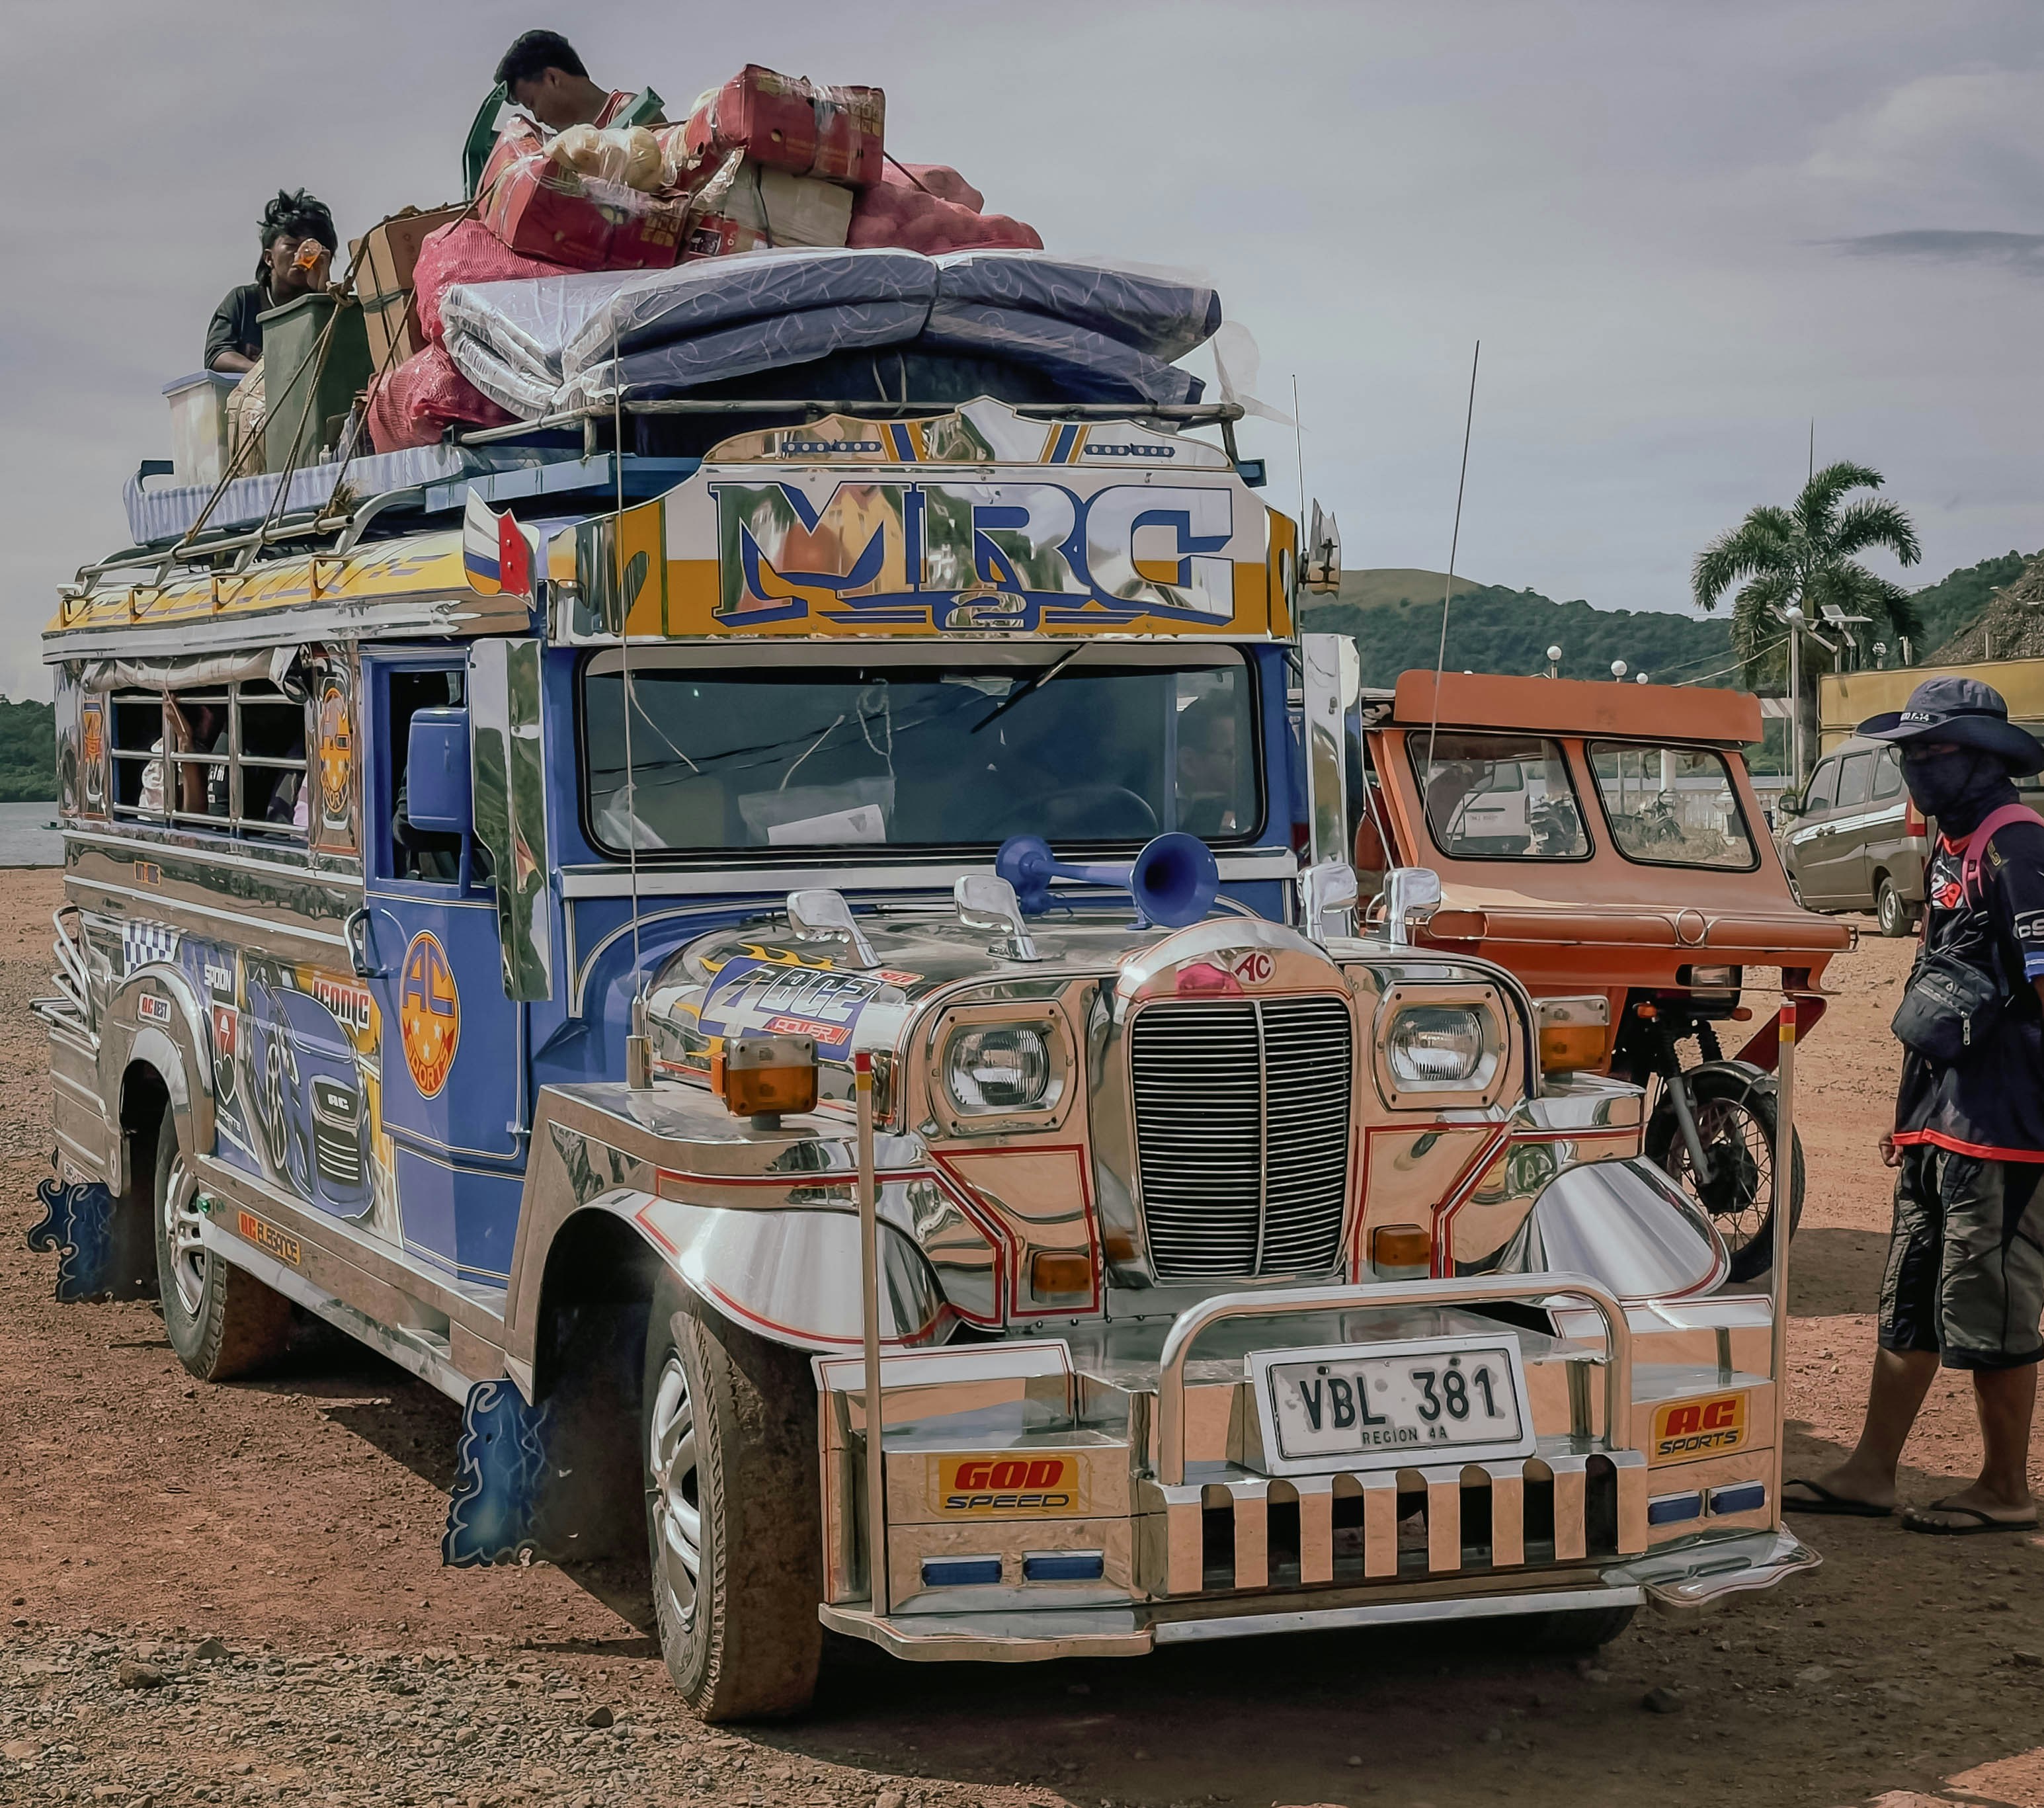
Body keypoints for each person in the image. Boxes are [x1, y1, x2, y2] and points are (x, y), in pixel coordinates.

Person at [1786, 677, 2044, 1534]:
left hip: (2000, 1128)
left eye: (1929, 752)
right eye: (1908, 752)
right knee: (1909, 1296)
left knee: (1989, 1305)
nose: (1914, 767)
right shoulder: (1946, 844)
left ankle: (2003, 1487)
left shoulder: (2016, 847)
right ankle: (1868, 1469)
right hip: (1937, 1118)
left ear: (1978, 759)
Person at [204, 190, 339, 375]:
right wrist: (265, 373)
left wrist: (323, 295)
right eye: (291, 246)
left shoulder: (335, 306)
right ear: (269, 258)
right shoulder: (244, 301)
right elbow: (217, 355)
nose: (300, 255)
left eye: (310, 249)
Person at [493, 30, 654, 132]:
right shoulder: (566, 150)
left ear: (552, 79)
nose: (538, 118)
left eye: (531, 104)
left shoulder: (632, 113)